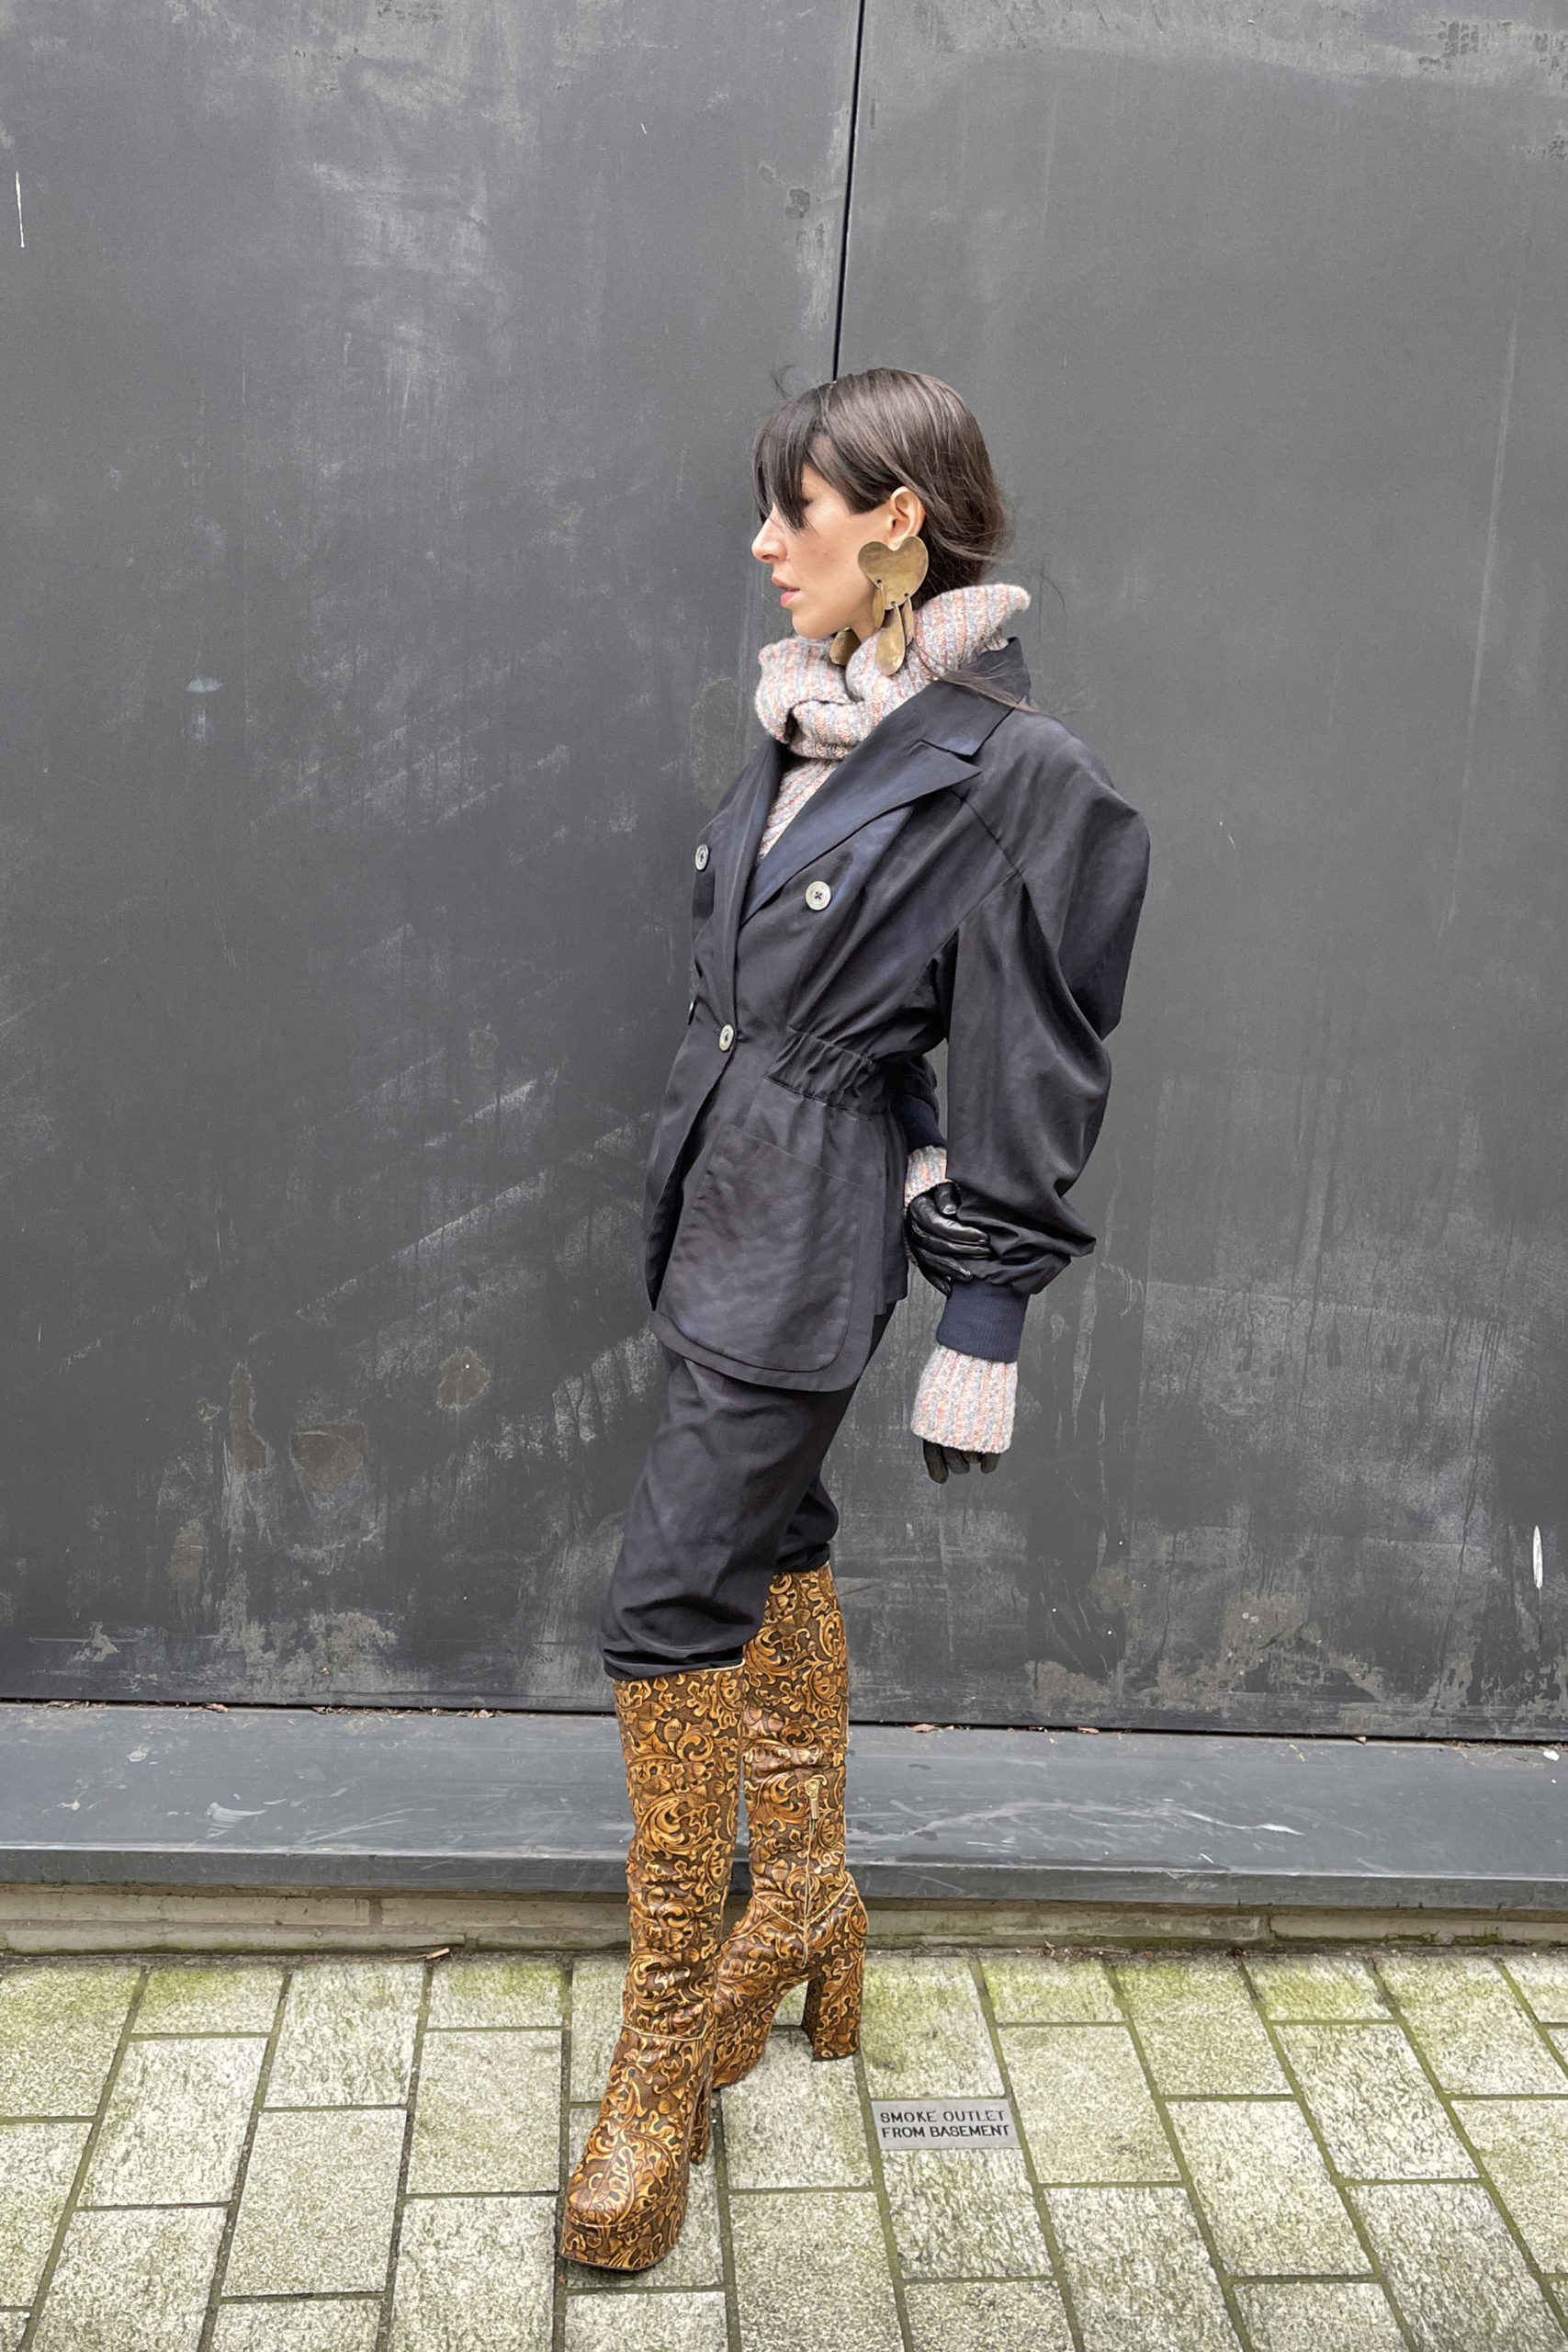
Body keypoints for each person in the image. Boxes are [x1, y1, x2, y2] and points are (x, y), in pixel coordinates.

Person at [561, 368, 1149, 2271]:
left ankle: (663, 2044)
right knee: (776, 1544)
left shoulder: (1014, 770)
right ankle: (807, 1900)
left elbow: (1033, 1051)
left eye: (794, 510)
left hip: (803, 1245)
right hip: (713, 1207)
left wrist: (986, 1306)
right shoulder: (810, 715)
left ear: (900, 519)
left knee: (668, 1605)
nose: (762, 543)